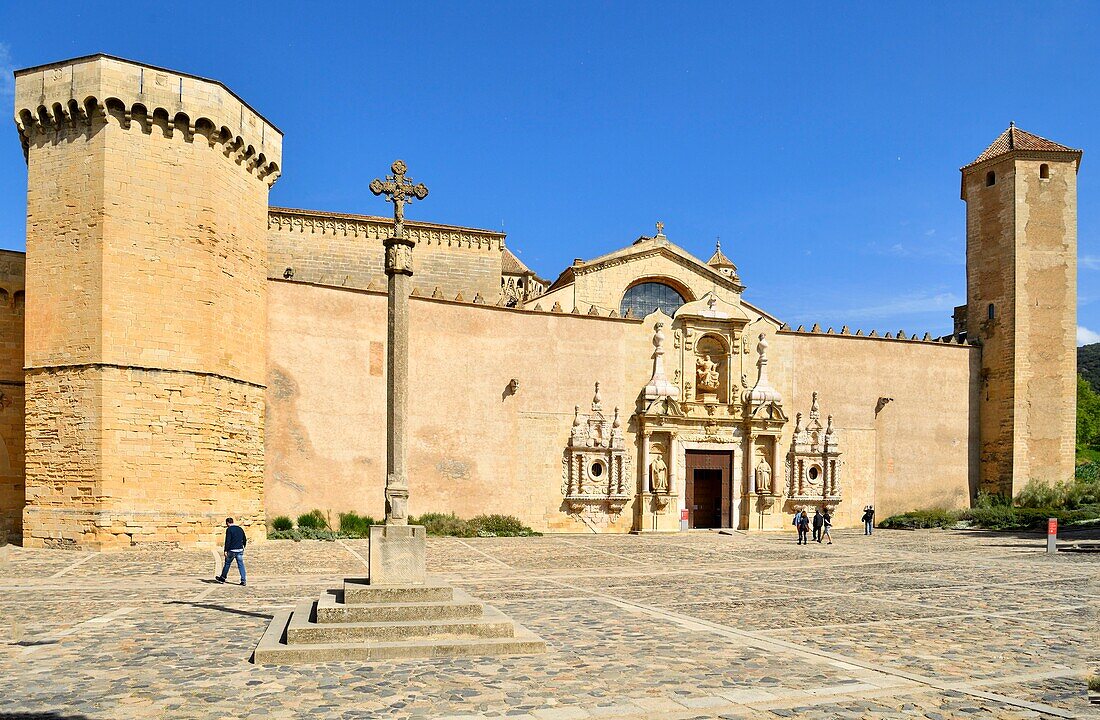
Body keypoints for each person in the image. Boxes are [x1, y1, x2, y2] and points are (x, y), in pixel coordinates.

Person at [216, 517, 247, 586]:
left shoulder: (229, 529)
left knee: (227, 564)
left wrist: (225, 550)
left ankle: (223, 578)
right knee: (241, 565)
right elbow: (244, 539)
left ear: (227, 523)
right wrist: (243, 546)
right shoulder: (240, 528)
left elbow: (228, 541)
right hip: (239, 549)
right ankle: (243, 580)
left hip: (232, 550)